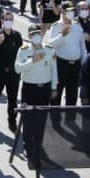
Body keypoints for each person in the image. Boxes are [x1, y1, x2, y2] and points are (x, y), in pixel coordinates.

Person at [14, 24, 56, 160]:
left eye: (38, 33)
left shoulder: (49, 49)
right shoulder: (23, 50)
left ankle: (39, 143)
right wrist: (32, 61)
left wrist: (54, 87)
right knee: (28, 118)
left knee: (42, 118)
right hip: (29, 88)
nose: (36, 36)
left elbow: (54, 70)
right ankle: (28, 145)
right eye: (33, 34)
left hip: (45, 88)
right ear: (29, 36)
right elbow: (18, 68)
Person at [0, 11, 22, 130]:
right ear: (2, 21)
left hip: (13, 73)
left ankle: (12, 122)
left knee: (13, 100)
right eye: (6, 19)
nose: (8, 21)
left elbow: (21, 53)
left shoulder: (17, 36)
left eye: (10, 19)